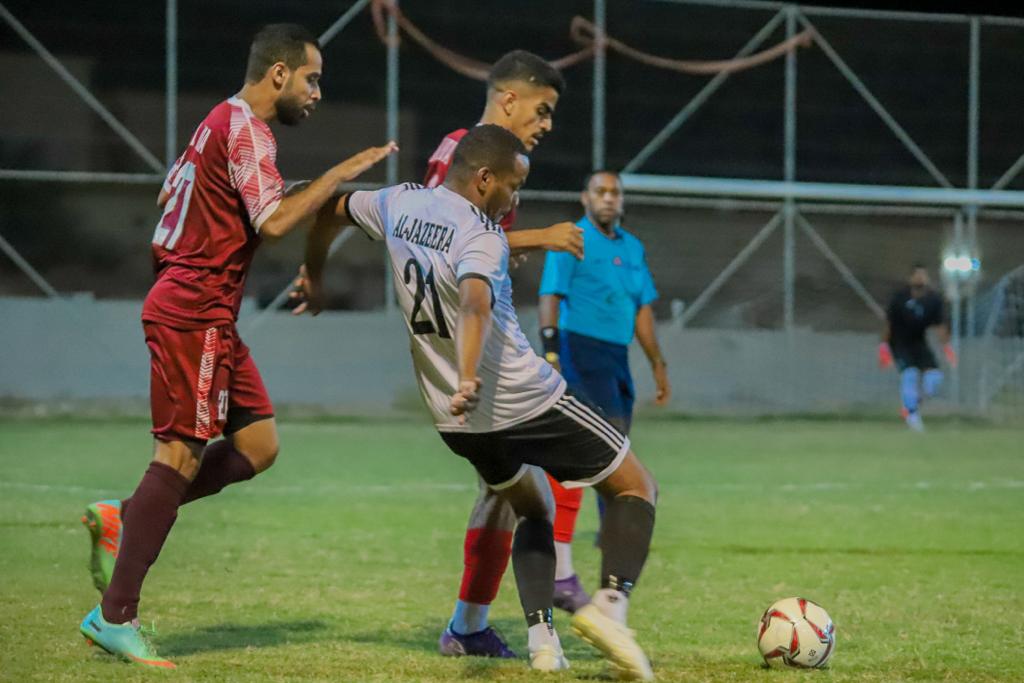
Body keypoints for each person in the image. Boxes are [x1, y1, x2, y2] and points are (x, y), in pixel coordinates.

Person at [77, 24, 396, 668]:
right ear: (278, 73)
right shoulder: (248, 129)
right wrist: (338, 174)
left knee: (258, 445)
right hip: (194, 308)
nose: (318, 93)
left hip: (208, 311)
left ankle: (126, 517)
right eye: (311, 79)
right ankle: (114, 615)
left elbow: (184, 199)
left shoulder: (216, 122)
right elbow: (274, 222)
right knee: (179, 455)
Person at [299, 124, 658, 680]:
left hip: (458, 422)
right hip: (519, 395)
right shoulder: (481, 233)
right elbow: (474, 304)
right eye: (514, 186)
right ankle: (610, 610)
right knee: (636, 486)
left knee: (532, 506)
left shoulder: (398, 201)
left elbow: (329, 209)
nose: (515, 199)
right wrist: (469, 375)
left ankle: (543, 643)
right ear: (485, 179)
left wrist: (314, 274)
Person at [423, 50, 592, 656]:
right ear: (509, 99)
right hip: (467, 346)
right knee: (520, 486)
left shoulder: (503, 162)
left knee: (504, 487)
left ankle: (470, 625)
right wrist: (542, 237)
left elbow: (479, 241)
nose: (547, 124)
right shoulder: (460, 150)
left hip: (489, 338)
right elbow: (438, 235)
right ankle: (497, 621)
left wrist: (507, 249)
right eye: (542, 110)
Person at [538, 169, 670, 533]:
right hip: (579, 349)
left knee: (616, 440)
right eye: (601, 191)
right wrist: (551, 354)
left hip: (616, 356)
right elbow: (550, 295)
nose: (609, 198)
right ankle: (600, 528)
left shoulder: (632, 247)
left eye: (615, 192)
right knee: (604, 442)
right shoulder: (572, 238)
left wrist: (657, 363)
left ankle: (608, 527)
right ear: (586, 198)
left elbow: (642, 309)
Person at [878, 264, 957, 431]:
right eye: (917, 275)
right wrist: (884, 347)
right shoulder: (899, 298)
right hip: (899, 343)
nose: (921, 278)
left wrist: (947, 348)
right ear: (910, 278)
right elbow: (889, 323)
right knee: (910, 374)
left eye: (923, 275)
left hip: (919, 343)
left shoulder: (933, 300)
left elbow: (940, 325)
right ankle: (912, 416)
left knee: (934, 379)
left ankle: (909, 407)